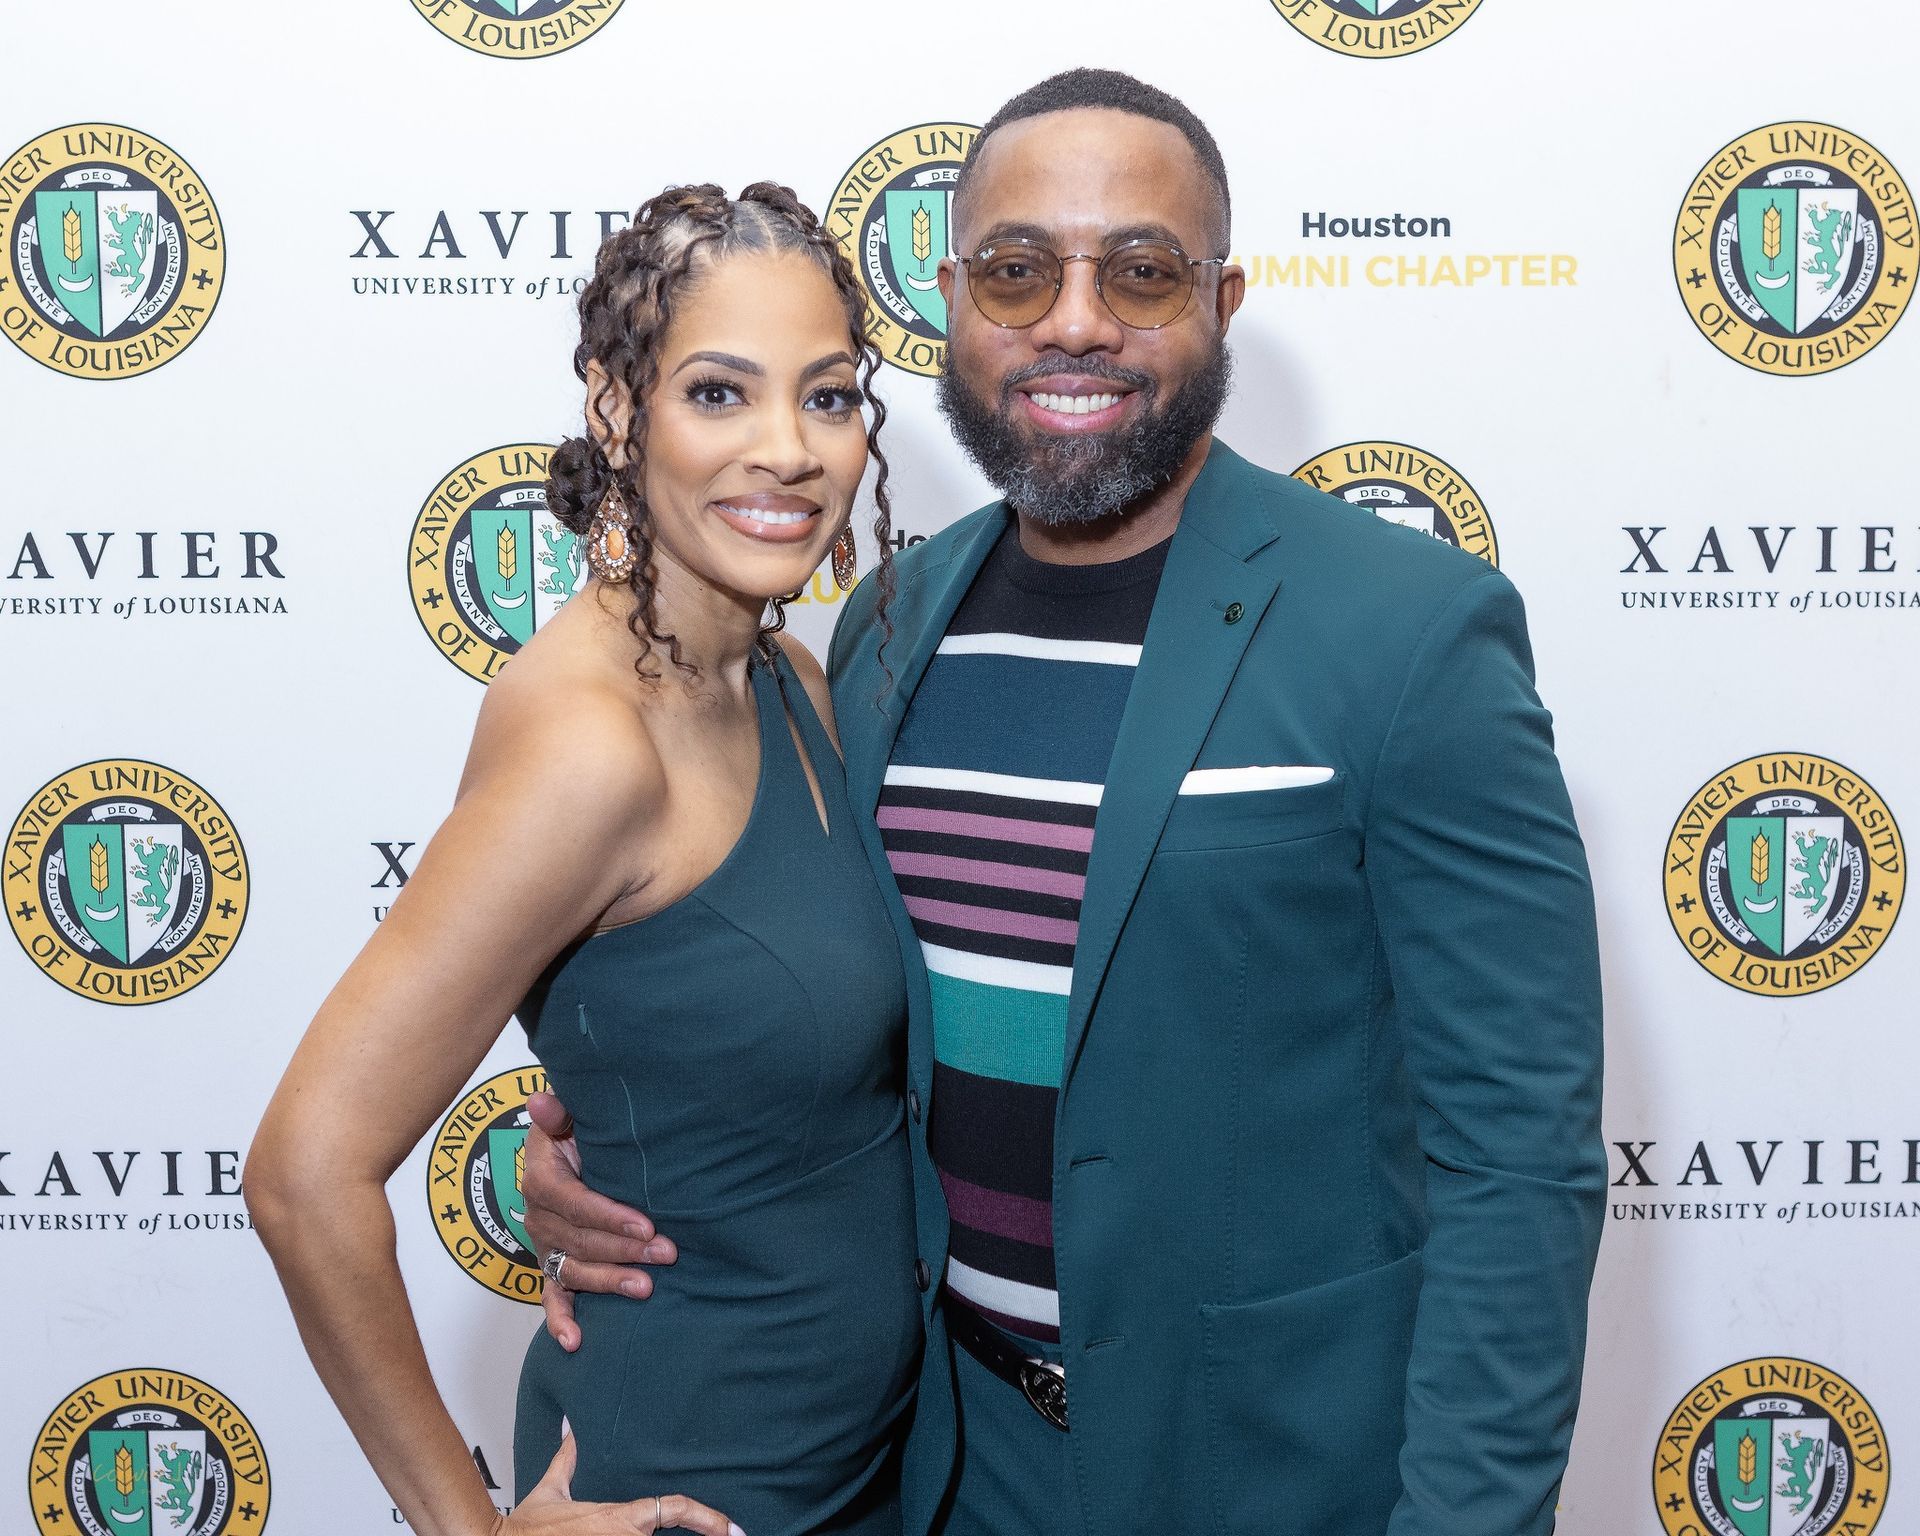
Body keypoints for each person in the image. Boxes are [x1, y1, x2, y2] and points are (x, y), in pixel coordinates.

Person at [522, 69, 1607, 1536]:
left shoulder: (1410, 629)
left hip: (1281, 1479)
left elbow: (1520, 1157)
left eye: (1141, 273)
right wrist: (615, 1133)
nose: (1075, 322)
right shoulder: (883, 627)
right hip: (938, 1467)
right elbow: (801, 987)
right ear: (954, 304)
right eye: (1020, 272)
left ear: (1222, 302)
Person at [245, 182, 923, 1536]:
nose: (788, 450)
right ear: (619, 412)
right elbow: (303, 1172)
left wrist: (596, 1127)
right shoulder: (589, 746)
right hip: (685, 1486)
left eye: (829, 396)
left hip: (865, 1475)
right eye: (720, 394)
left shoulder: (791, 677)